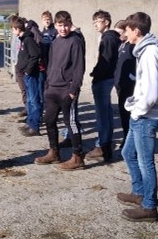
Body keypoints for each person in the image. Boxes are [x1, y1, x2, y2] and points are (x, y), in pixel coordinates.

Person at [116, 12, 158, 222]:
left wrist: (138, 111)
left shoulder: (150, 54)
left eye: (127, 30)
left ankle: (149, 206)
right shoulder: (145, 51)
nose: (125, 34)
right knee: (128, 153)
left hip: (146, 117)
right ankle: (139, 192)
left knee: (146, 161)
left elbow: (152, 91)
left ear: (136, 31)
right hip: (140, 114)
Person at [34, 11, 86, 170]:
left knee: (70, 123)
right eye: (60, 25)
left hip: (67, 90)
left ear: (70, 24)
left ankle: (77, 157)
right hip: (52, 89)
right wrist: (47, 85)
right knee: (49, 121)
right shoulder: (55, 42)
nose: (63, 28)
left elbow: (79, 67)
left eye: (66, 25)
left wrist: (73, 89)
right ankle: (54, 152)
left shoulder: (75, 41)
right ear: (55, 25)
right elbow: (50, 65)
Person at [87, 10, 121, 162]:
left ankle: (102, 145)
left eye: (98, 22)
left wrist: (95, 74)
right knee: (106, 113)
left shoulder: (108, 39)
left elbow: (105, 61)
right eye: (94, 22)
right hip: (108, 78)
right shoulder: (113, 38)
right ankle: (105, 145)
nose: (95, 25)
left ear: (106, 22)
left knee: (102, 114)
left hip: (103, 79)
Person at [12, 18, 42, 136]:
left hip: (31, 75)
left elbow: (35, 55)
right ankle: (30, 122)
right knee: (29, 100)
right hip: (26, 74)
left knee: (34, 100)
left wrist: (28, 70)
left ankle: (35, 126)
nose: (12, 31)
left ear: (18, 29)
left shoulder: (28, 39)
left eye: (13, 29)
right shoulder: (23, 39)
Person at [113, 19, 136, 147]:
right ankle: (126, 136)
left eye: (120, 33)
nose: (119, 36)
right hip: (120, 84)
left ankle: (130, 140)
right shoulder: (122, 45)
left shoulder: (132, 46)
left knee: (128, 114)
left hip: (129, 85)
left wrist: (132, 77)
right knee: (123, 113)